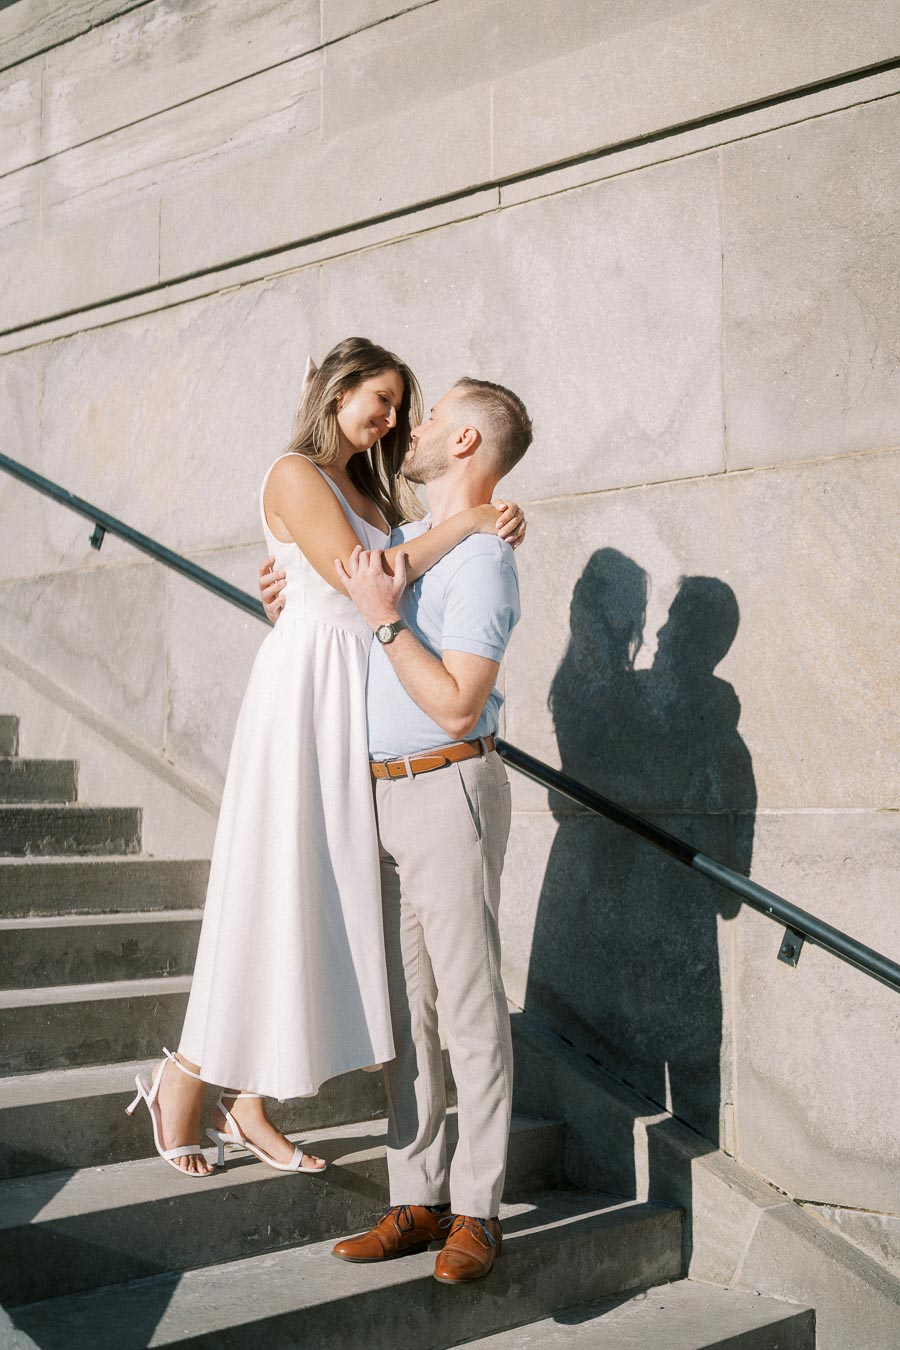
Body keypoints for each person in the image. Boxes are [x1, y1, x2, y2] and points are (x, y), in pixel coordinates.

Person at [125, 338, 524, 1178]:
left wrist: (479, 519)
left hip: (358, 702)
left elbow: (397, 572)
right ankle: (184, 1080)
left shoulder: (368, 485)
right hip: (305, 700)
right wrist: (473, 519)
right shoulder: (294, 472)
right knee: (267, 887)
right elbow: (365, 579)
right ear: (334, 391)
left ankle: (250, 1099)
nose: (390, 419)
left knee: (308, 899)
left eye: (399, 407)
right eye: (378, 399)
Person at [262, 374, 532, 1283]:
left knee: (469, 1004)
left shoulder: (486, 559)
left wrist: (383, 623)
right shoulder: (408, 537)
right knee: (408, 1018)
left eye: (429, 419)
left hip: (447, 786)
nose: (406, 431)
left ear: (464, 444)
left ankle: (479, 1210)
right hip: (375, 795)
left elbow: (459, 705)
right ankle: (415, 1197)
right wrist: (290, 595)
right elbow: (342, 593)